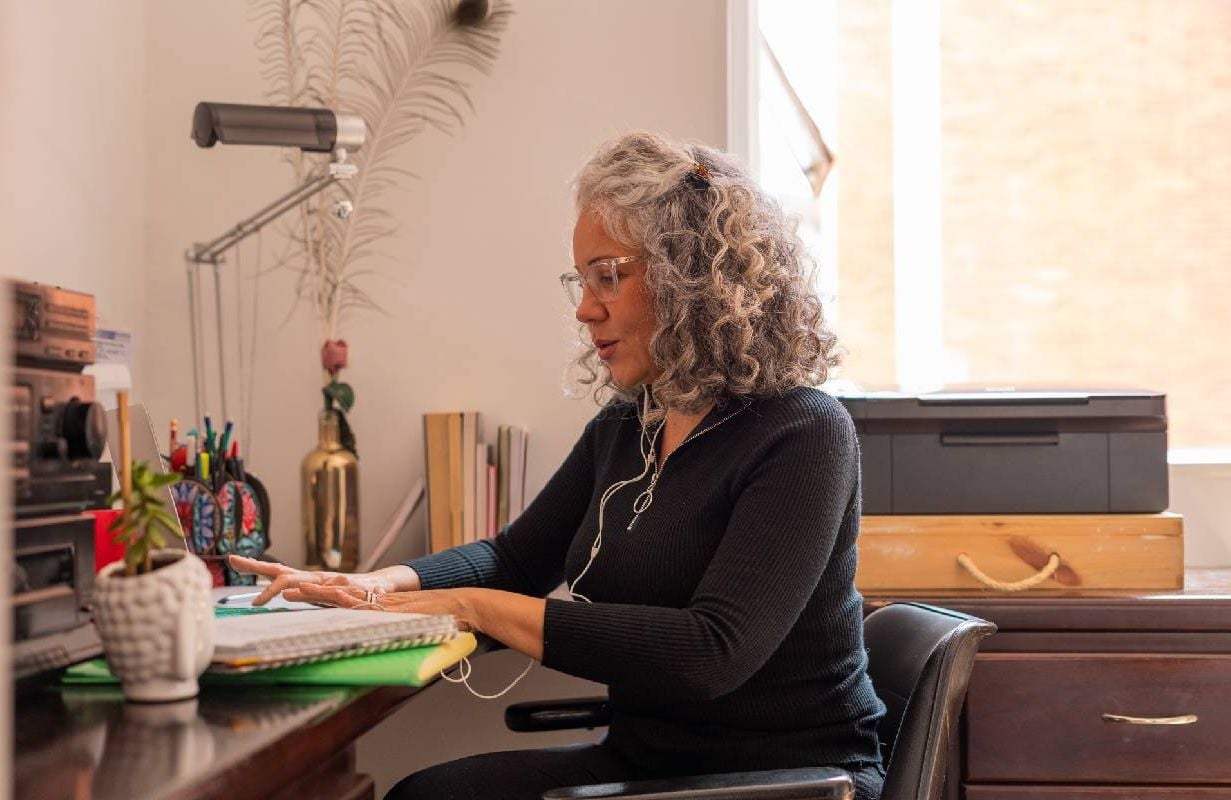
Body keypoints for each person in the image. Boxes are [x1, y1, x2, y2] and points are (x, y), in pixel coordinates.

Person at [229, 131, 886, 800]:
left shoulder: (802, 432)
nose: (583, 306)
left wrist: (471, 607)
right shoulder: (629, 424)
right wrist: (369, 586)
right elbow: (516, 559)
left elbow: (709, 653)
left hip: (787, 781)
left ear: (688, 274)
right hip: (648, 765)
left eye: (608, 275)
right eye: (582, 279)